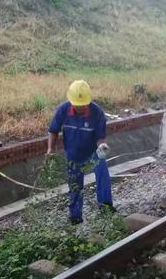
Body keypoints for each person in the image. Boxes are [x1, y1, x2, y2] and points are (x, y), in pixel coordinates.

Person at [47, 80, 115, 225]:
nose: (80, 108)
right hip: (73, 154)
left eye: (83, 105)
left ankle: (105, 205)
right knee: (75, 185)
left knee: (102, 170)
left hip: (92, 153)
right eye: (77, 105)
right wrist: (50, 150)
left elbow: (100, 137)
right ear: (71, 101)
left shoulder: (97, 113)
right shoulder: (63, 110)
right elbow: (53, 131)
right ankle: (75, 216)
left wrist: (102, 145)